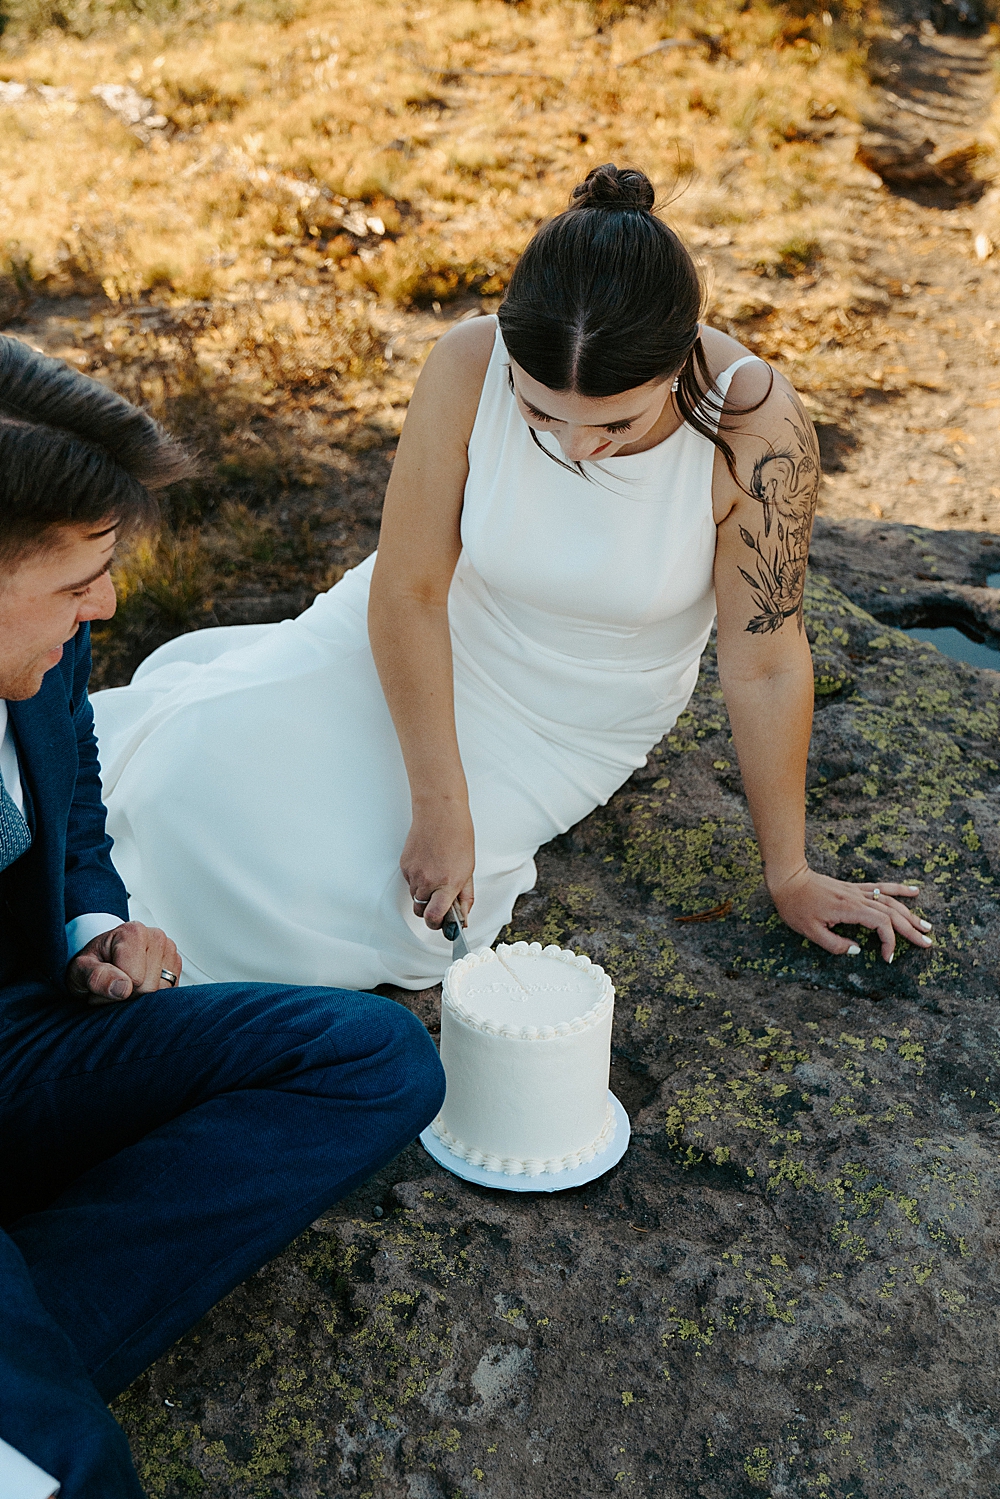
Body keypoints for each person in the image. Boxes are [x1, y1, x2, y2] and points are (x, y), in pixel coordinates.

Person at [91, 162, 933, 991]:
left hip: (564, 718)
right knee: (184, 783)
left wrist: (789, 872)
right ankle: (91, 935)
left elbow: (767, 660)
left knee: (347, 897)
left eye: (614, 423)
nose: (574, 446)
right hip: (418, 634)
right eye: (538, 410)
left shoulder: (756, 428)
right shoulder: (466, 362)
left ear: (680, 362)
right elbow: (411, 586)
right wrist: (438, 802)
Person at [0, 341, 445, 1499]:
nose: (107, 602)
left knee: (372, 1054)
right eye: (79, 578)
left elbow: (74, 788)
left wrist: (90, 925)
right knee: (72, 1468)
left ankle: (23, 1360)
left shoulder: (40, 642)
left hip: (18, 1037)